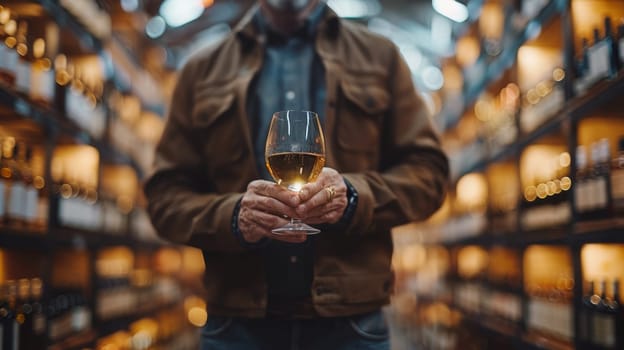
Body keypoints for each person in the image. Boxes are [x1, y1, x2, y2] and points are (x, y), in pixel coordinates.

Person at [143, 0, 449, 349]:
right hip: (236, 328)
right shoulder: (200, 69)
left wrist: (352, 198)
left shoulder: (381, 57)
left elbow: (429, 175)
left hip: (352, 328)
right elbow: (164, 197)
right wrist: (233, 217)